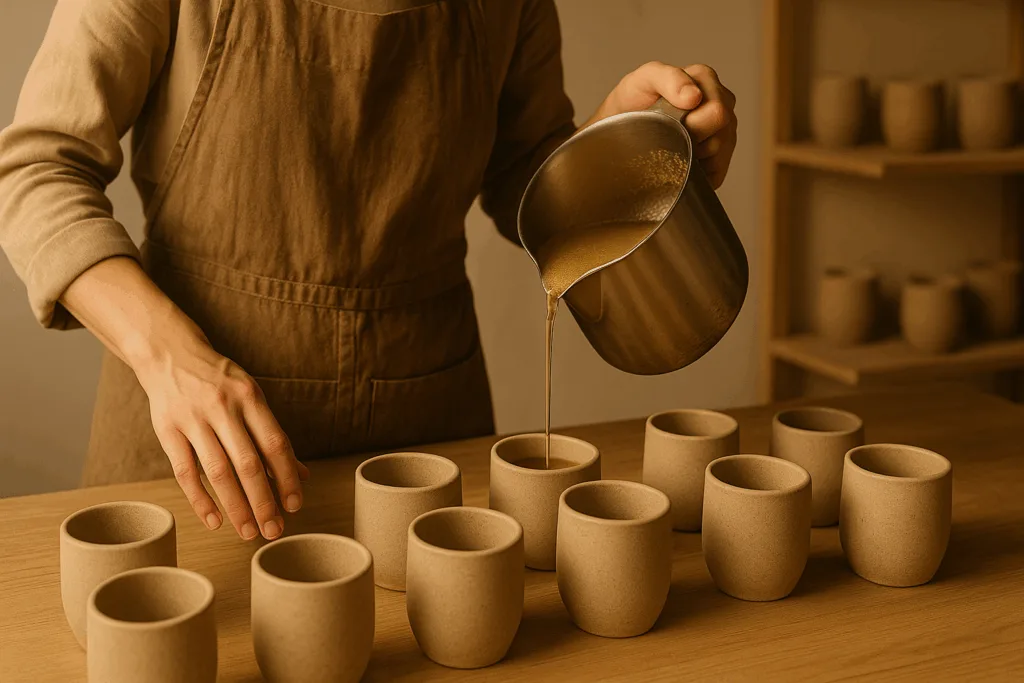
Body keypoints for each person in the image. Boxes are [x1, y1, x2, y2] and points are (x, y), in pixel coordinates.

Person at [0, 0, 737, 542]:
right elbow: (36, 169)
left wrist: (619, 145)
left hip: (429, 436)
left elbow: (525, 171)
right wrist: (169, 357)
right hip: (195, 448)